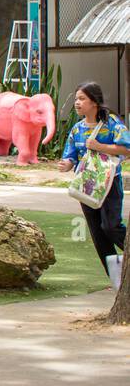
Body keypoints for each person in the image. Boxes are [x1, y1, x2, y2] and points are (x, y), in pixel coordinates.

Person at [57, 81, 130, 279]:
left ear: (94, 102)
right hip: (85, 187)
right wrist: (66, 164)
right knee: (98, 235)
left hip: (109, 184)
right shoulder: (76, 129)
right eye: (76, 99)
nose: (77, 103)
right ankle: (116, 279)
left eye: (82, 99)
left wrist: (100, 146)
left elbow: (126, 149)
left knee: (111, 226)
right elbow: (70, 156)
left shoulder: (112, 123)